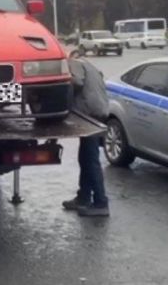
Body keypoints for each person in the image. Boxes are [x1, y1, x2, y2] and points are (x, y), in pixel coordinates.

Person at [62, 49, 111, 217]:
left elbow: (77, 82)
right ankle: (83, 197)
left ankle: (100, 202)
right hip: (99, 112)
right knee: (85, 157)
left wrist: (63, 81)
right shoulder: (91, 66)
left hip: (89, 115)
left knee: (90, 159)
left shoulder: (75, 62)